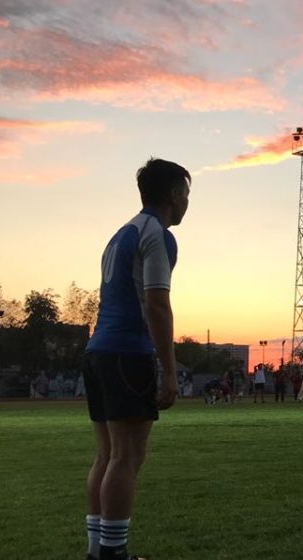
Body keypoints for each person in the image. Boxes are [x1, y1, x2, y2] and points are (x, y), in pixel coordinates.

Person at [82, 157, 189, 560]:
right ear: (174, 195)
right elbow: (157, 305)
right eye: (186, 194)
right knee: (127, 456)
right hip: (127, 354)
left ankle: (98, 550)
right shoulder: (157, 234)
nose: (186, 204)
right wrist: (169, 371)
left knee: (107, 455)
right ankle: (113, 552)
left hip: (99, 353)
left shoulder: (121, 233)